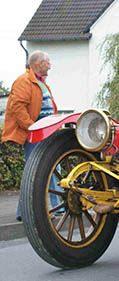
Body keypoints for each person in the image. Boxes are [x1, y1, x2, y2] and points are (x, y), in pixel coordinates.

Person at [1, 50, 61, 221]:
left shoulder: (40, 82)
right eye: (47, 62)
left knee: (51, 169)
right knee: (36, 171)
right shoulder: (24, 81)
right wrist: (32, 128)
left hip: (45, 133)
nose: (50, 66)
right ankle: (26, 211)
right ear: (37, 63)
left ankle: (57, 207)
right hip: (36, 134)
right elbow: (17, 108)